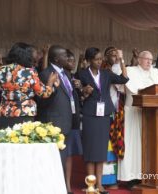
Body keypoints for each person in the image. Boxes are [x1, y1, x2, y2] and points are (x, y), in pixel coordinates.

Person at [117, 37, 158, 191]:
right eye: (146, 59)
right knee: (133, 146)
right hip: (133, 113)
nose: (150, 62)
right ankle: (131, 178)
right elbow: (116, 74)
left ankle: (147, 176)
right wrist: (120, 60)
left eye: (151, 60)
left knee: (148, 146)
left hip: (151, 115)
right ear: (139, 60)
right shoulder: (130, 70)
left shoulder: (156, 72)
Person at [79, 47, 129, 194]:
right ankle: (90, 185)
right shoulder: (82, 74)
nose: (99, 61)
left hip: (104, 114)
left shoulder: (107, 73)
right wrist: (84, 92)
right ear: (89, 60)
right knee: (89, 150)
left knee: (100, 150)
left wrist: (122, 61)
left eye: (101, 59)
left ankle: (99, 185)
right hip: (89, 114)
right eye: (96, 59)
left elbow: (124, 79)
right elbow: (78, 94)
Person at [0, 42, 59, 129]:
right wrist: (50, 82)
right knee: (22, 141)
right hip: (24, 113)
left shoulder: (1, 70)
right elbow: (44, 93)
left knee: (6, 141)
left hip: (5, 113)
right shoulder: (30, 72)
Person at [37, 45, 80, 183]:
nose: (68, 58)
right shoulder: (46, 74)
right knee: (53, 161)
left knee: (61, 159)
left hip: (66, 121)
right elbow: (42, 101)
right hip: (54, 124)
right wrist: (53, 89)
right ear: (56, 58)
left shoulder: (64, 73)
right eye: (65, 56)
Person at [100, 47, 126, 187]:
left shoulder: (118, 69)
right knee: (105, 147)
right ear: (105, 57)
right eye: (113, 55)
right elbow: (120, 82)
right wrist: (118, 66)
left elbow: (123, 86)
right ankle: (103, 180)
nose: (116, 58)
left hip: (117, 111)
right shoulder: (103, 70)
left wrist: (120, 64)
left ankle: (112, 180)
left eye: (118, 55)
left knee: (115, 145)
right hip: (104, 111)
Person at [62, 49, 83, 194]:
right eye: (69, 60)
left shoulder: (75, 77)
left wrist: (81, 89)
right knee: (62, 153)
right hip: (61, 120)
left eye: (74, 60)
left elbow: (80, 99)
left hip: (73, 120)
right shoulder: (58, 77)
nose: (73, 62)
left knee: (69, 154)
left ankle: (68, 186)